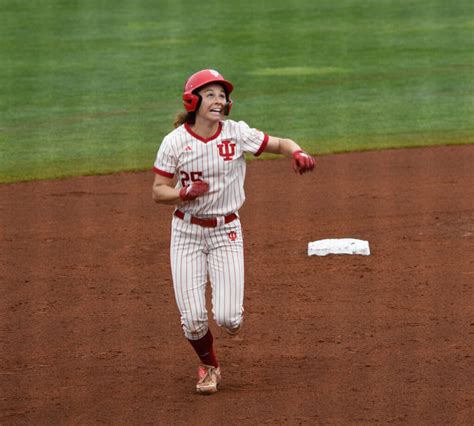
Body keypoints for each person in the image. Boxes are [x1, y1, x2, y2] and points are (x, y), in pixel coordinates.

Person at [152, 69, 315, 395]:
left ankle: (221, 338)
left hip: (226, 231)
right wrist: (183, 194)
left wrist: (297, 152)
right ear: (193, 100)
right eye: (210, 94)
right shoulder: (174, 142)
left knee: (229, 320)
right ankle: (209, 367)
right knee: (194, 319)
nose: (218, 100)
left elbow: (280, 143)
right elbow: (159, 190)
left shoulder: (236, 134)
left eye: (222, 95)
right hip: (186, 233)